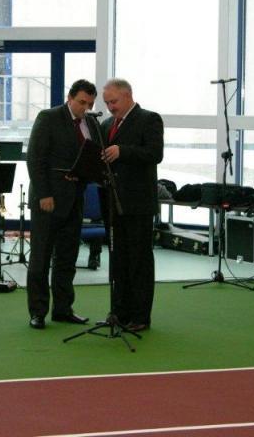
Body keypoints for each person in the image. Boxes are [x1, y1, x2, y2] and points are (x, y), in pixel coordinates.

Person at [26, 79, 100, 329]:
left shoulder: (91, 123)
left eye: (90, 104)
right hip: (48, 199)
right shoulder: (48, 117)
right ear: (70, 98)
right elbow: (35, 158)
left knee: (67, 258)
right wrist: (44, 194)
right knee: (41, 258)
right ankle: (37, 312)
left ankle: (63, 309)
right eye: (82, 102)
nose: (86, 108)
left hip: (75, 198)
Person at [100, 78, 163, 332]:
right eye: (107, 103)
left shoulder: (149, 119)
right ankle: (119, 312)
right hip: (112, 203)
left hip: (138, 204)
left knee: (139, 261)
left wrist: (122, 151)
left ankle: (140, 317)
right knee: (118, 260)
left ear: (128, 95)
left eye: (113, 101)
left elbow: (155, 154)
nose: (110, 107)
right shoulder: (106, 124)